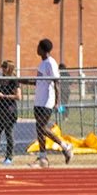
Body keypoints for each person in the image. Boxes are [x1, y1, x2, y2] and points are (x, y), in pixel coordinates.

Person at [32, 39, 74, 167]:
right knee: (39, 129)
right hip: (38, 101)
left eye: (38, 47)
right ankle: (43, 157)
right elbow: (39, 82)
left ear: (43, 49)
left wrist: (57, 101)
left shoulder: (51, 63)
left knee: (42, 127)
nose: (36, 49)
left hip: (47, 102)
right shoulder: (42, 64)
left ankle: (65, 146)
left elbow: (56, 82)